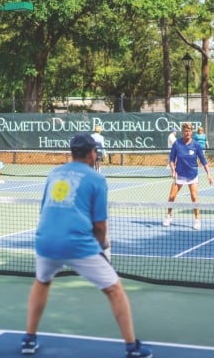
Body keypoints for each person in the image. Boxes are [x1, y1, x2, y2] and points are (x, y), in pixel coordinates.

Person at [21, 133, 152, 358]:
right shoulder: (97, 179)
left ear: (72, 153)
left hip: (45, 238)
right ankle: (132, 346)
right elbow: (99, 226)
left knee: (42, 282)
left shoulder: (54, 173)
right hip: (76, 243)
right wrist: (101, 246)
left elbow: (44, 210)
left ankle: (29, 340)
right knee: (114, 290)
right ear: (92, 153)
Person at [162, 122, 213, 230]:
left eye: (189, 131)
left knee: (194, 198)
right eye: (185, 131)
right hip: (179, 175)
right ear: (182, 132)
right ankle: (168, 216)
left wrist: (209, 174)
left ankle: (197, 220)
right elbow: (171, 160)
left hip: (192, 175)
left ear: (191, 132)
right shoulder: (177, 144)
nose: (187, 133)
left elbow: (203, 161)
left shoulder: (196, 145)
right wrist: (173, 170)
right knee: (171, 197)